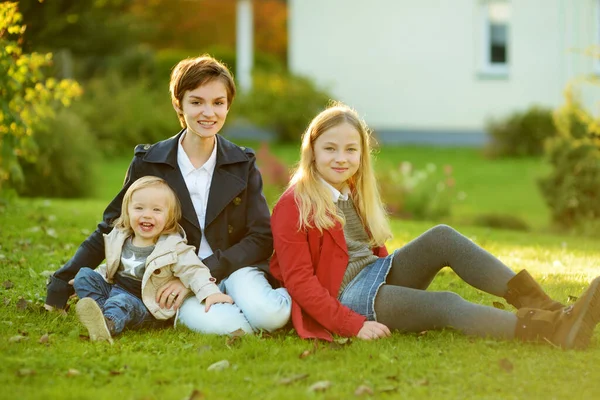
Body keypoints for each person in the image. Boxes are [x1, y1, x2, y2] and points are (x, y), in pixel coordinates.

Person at [269, 102, 600, 349]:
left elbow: (371, 249)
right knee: (446, 304)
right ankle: (550, 331)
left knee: (442, 236)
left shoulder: (351, 190)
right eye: (330, 149)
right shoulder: (293, 205)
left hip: (373, 274)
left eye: (350, 149)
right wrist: (352, 325)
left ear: (362, 155)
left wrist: (400, 285)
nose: (341, 158)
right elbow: (301, 283)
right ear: (311, 151)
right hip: (346, 297)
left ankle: (553, 310)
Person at [45, 55, 291, 335]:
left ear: (228, 105)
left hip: (235, 268)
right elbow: (114, 225)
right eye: (196, 102)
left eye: (218, 103)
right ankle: (228, 312)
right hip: (174, 278)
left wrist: (206, 271)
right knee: (230, 327)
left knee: (270, 316)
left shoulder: (242, 163)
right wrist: (60, 285)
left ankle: (284, 306)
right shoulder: (150, 161)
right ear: (179, 104)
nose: (208, 113)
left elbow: (260, 237)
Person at [74, 176, 234, 343]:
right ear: (127, 211)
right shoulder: (121, 237)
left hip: (146, 307)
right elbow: (115, 267)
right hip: (116, 290)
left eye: (156, 210)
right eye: (139, 208)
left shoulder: (173, 246)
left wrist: (210, 292)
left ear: (170, 217)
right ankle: (102, 316)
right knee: (84, 275)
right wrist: (94, 277)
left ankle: (108, 324)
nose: (147, 215)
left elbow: (194, 270)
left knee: (121, 302)